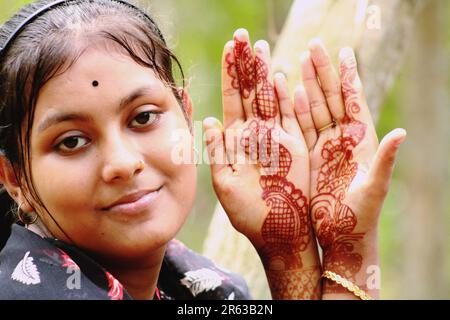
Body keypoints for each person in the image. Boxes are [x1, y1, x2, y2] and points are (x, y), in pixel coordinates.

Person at [0, 0, 405, 300]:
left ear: (185, 113)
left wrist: (293, 248)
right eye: (72, 141)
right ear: (14, 178)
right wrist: (350, 257)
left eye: (143, 118)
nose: (123, 163)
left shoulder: (203, 287)